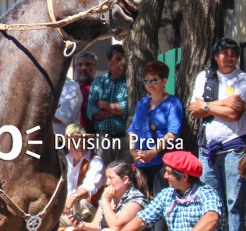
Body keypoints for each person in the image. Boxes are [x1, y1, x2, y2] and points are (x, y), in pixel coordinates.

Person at [188, 37, 246, 231]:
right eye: (225, 54)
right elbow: (194, 109)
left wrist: (207, 105)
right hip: (208, 150)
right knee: (212, 203)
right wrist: (226, 102)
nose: (230, 58)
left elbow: (235, 114)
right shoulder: (204, 78)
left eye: (234, 55)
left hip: (234, 149)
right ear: (216, 57)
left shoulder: (244, 80)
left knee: (234, 202)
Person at [127, 59, 184, 220]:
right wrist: (132, 150)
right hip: (141, 162)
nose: (149, 84)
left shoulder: (173, 102)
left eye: (154, 80)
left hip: (161, 162)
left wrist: (154, 151)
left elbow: (173, 133)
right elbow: (133, 129)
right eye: (146, 80)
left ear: (164, 81)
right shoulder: (142, 103)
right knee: (141, 203)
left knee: (161, 204)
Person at [122, 151, 221, 231]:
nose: (165, 176)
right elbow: (142, 220)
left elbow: (211, 219)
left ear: (184, 176)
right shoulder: (167, 194)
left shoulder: (206, 193)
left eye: (169, 173)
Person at [65, 160, 149, 231]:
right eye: (106, 178)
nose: (107, 183)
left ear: (125, 180)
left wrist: (106, 201)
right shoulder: (109, 196)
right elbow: (97, 225)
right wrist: (83, 225)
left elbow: (116, 226)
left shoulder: (136, 199)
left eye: (111, 178)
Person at [87, 44, 131, 165]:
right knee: (100, 172)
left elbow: (127, 109)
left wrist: (104, 105)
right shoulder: (99, 82)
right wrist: (116, 110)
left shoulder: (129, 83)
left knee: (122, 174)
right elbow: (92, 112)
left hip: (123, 139)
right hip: (102, 139)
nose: (122, 63)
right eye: (118, 59)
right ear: (108, 62)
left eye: (123, 59)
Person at [61, 123, 107, 228]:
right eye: (75, 142)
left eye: (82, 141)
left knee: (80, 203)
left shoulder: (95, 161)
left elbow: (89, 186)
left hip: (87, 208)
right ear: (67, 145)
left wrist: (73, 197)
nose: (80, 145)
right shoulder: (64, 160)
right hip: (67, 206)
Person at [75, 51, 98, 133]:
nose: (83, 68)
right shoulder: (68, 88)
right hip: (70, 139)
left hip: (94, 137)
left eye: (88, 64)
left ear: (94, 68)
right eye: (80, 64)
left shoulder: (100, 88)